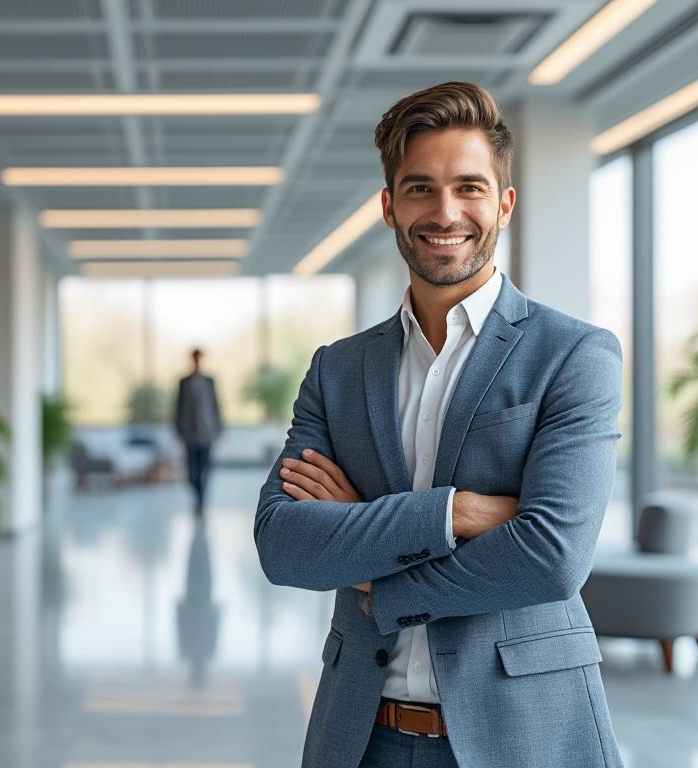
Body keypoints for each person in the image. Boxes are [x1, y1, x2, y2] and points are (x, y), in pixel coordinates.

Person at [255, 82, 623, 768]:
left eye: (470, 187)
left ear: (504, 204)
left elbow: (552, 557)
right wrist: (459, 512)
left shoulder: (574, 355)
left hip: (524, 734)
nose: (445, 212)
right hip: (360, 736)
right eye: (420, 188)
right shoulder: (338, 370)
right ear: (389, 206)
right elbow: (283, 545)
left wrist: (372, 563)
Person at [176, 349, 222, 515]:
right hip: (189, 434)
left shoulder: (209, 381)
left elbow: (216, 405)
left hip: (207, 433)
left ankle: (201, 503)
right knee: (191, 473)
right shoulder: (183, 382)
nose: (197, 361)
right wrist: (178, 433)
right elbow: (178, 408)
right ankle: (198, 497)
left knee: (205, 469)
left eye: (199, 359)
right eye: (194, 359)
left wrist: (219, 430)